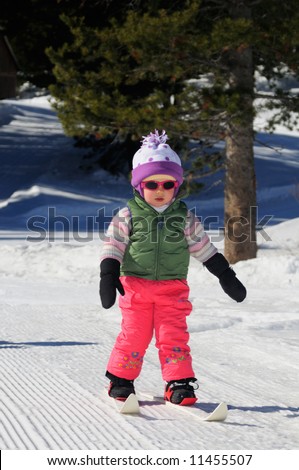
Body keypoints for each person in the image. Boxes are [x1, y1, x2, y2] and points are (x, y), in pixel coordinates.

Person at [99, 130, 246, 406]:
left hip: (172, 289)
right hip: (136, 288)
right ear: (139, 186)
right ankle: (121, 379)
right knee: (134, 335)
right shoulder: (128, 215)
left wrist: (226, 274)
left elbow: (204, 248)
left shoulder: (185, 218)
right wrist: (108, 274)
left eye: (167, 184)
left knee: (174, 336)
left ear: (176, 186)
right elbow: (113, 245)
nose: (159, 191)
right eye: (151, 184)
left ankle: (179, 382)